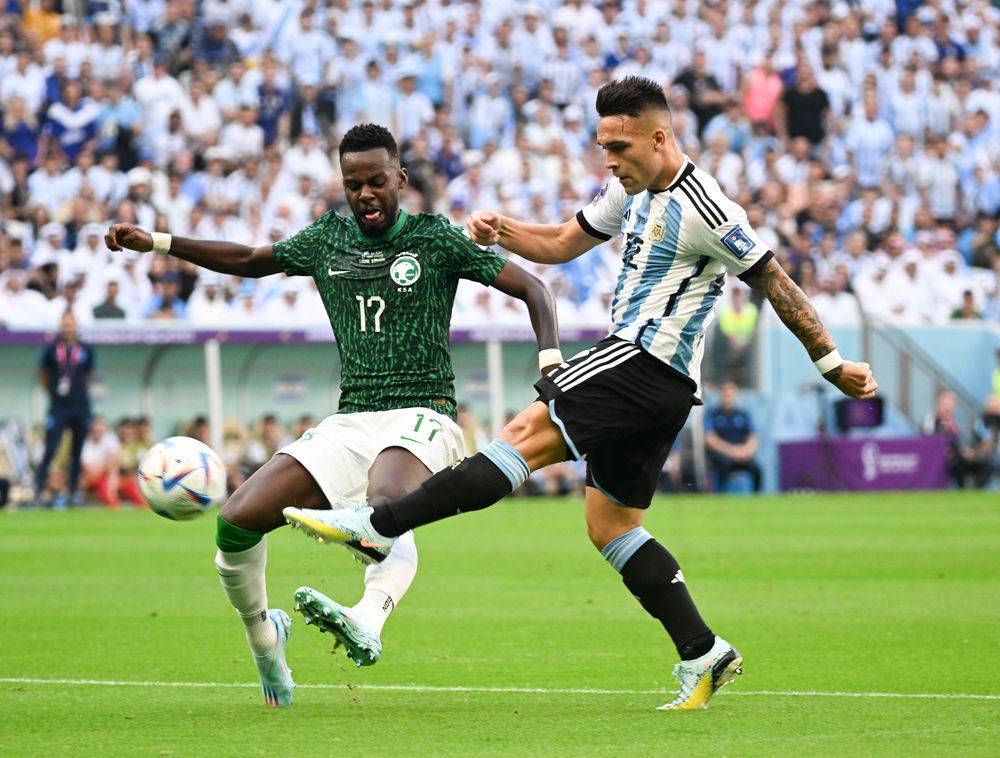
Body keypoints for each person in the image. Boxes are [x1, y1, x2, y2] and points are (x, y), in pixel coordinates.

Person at [284, 77, 878, 712]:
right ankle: (703, 652)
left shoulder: (707, 208)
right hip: (663, 388)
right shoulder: (629, 190)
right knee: (611, 526)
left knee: (520, 437)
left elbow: (775, 280)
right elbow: (563, 243)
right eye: (603, 147)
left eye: (619, 147)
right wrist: (502, 230)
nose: (609, 160)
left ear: (659, 137)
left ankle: (378, 526)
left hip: (644, 361)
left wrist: (832, 362)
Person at [104, 123, 559, 709]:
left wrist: (551, 364)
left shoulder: (436, 239)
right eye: (353, 184)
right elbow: (249, 259)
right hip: (350, 422)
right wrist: (160, 243)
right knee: (236, 520)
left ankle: (369, 615)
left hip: (425, 412)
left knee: (382, 508)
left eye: (376, 181)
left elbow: (534, 289)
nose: (365, 194)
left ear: (399, 179)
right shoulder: (327, 240)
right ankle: (265, 640)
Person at [34, 311, 95, 509]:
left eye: (71, 323)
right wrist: (53, 393)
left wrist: (80, 392)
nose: (68, 327)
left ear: (76, 325)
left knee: (77, 451)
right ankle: (38, 491)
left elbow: (90, 374)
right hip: (58, 407)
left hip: (80, 407)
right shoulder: (52, 348)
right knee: (50, 449)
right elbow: (42, 374)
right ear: (61, 325)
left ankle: (73, 492)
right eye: (65, 324)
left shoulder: (85, 348)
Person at [705, 382, 762, 493]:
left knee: (756, 469)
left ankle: (756, 497)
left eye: (730, 395)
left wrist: (746, 451)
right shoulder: (712, 414)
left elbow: (753, 438)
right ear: (720, 395)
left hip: (742, 454)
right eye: (725, 395)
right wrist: (732, 451)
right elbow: (710, 439)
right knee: (723, 466)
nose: (727, 398)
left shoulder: (743, 414)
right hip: (722, 455)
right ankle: (721, 496)